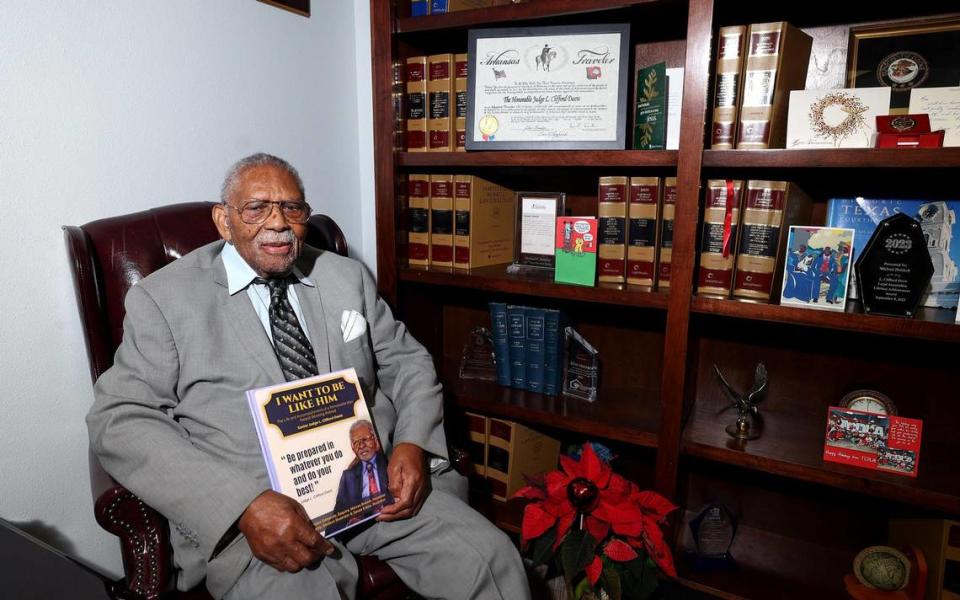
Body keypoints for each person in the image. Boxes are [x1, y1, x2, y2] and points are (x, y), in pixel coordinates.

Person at [87, 153, 530, 600]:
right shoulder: (164, 300)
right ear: (223, 221)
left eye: (293, 208)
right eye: (256, 208)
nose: (278, 223)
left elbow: (407, 362)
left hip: (372, 488)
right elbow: (119, 419)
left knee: (490, 558)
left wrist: (414, 444)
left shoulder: (346, 277)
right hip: (258, 518)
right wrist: (243, 506)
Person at [324, 420, 391, 536]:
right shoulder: (348, 477)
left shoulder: (389, 460)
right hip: (364, 534)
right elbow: (336, 520)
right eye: (356, 443)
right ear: (352, 447)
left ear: (375, 439)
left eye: (365, 440)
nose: (361, 446)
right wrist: (349, 523)